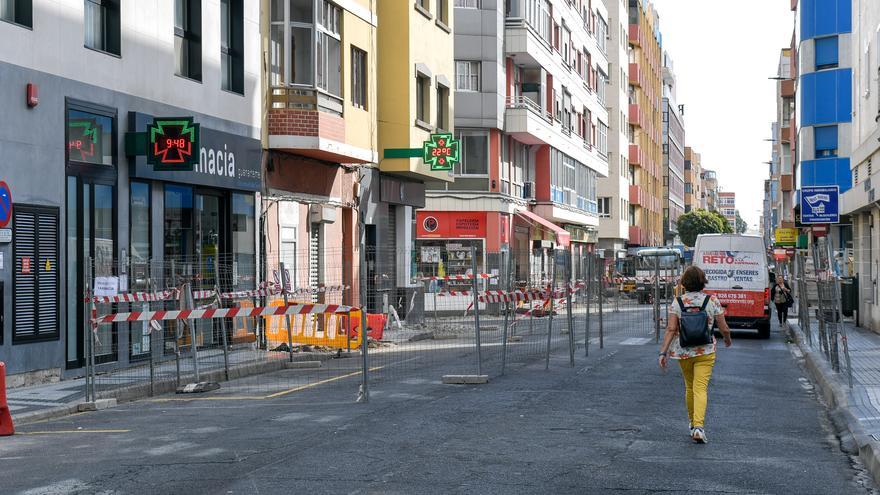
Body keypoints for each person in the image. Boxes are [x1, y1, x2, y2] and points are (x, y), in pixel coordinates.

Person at [658, 265, 732, 444]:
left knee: (689, 387)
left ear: (685, 283)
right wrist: (727, 339)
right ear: (702, 281)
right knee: (701, 388)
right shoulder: (712, 300)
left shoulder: (678, 302)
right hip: (705, 350)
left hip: (683, 351)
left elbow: (671, 328)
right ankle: (699, 427)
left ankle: (692, 424)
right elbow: (723, 327)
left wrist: (663, 352)